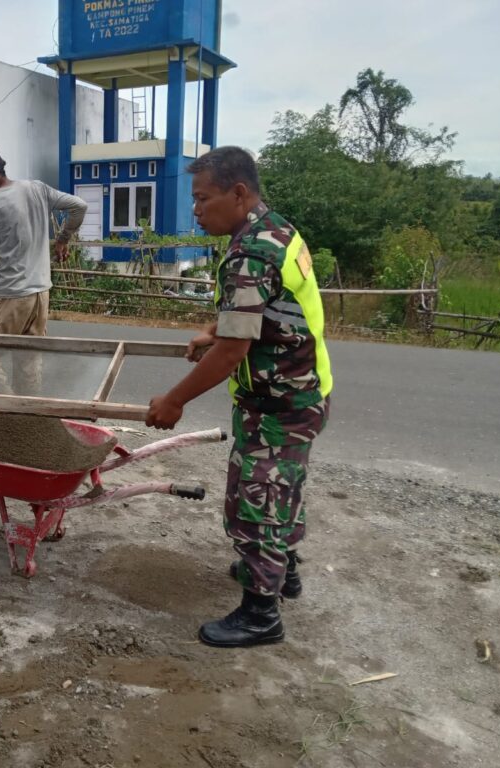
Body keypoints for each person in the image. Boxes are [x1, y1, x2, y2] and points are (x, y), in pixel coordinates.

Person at [145, 146, 332, 648]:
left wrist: (173, 401)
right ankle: (283, 572)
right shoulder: (276, 230)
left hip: (280, 403)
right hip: (303, 392)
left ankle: (260, 615)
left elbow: (232, 351)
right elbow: (259, 313)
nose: (196, 210)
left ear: (239, 193)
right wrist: (215, 329)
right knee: (282, 489)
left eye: (203, 199)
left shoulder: (251, 251)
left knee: (256, 502)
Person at [0, 147, 87, 394]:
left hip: (13, 295)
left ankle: (5, 414)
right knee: (28, 358)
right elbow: (79, 206)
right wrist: (63, 238)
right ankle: (27, 419)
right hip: (40, 295)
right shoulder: (37, 189)